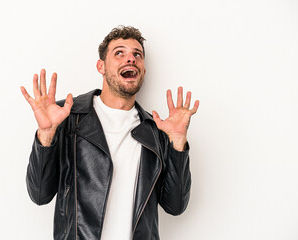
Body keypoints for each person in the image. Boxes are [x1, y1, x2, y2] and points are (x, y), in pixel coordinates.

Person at [20, 26, 199, 240]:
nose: (131, 59)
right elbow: (39, 194)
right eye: (119, 53)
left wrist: (178, 143)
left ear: (143, 70)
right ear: (101, 66)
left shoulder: (155, 130)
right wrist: (46, 134)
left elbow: (175, 205)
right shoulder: (67, 117)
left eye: (137, 55)